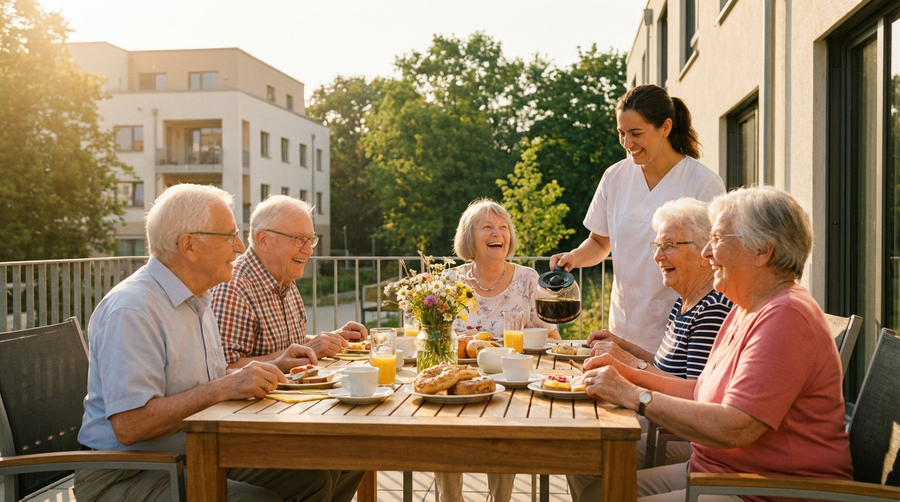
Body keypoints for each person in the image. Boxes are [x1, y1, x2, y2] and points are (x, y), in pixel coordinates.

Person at [581, 186, 852, 501]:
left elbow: (736, 428)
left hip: (768, 490)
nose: (707, 252)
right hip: (717, 472)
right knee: (596, 494)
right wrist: (623, 373)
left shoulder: (786, 316)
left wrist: (632, 394)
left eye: (719, 239)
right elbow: (699, 391)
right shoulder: (745, 308)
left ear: (762, 251)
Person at [75, 184, 329, 501]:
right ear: (189, 246)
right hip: (127, 473)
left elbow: (205, 383)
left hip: (195, 453)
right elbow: (131, 425)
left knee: (314, 474)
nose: (239, 248)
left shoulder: (197, 299)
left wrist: (270, 367)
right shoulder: (134, 310)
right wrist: (222, 388)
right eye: (229, 237)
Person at [567, 197, 733, 501]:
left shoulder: (711, 309)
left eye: (669, 246)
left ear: (703, 251)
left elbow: (694, 392)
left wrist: (629, 364)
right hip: (666, 424)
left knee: (583, 453)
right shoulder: (685, 302)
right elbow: (666, 367)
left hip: (677, 435)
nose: (658, 256)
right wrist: (624, 347)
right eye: (656, 246)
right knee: (579, 456)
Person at [550, 84, 725, 355]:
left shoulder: (702, 182)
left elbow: (715, 258)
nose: (627, 143)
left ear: (665, 127)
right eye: (621, 133)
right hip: (624, 323)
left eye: (636, 133)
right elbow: (599, 242)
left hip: (681, 324)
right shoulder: (614, 177)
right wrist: (574, 257)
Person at [433, 198, 558, 502]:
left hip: (512, 382)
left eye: (503, 227)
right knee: (442, 432)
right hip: (458, 382)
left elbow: (553, 337)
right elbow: (434, 338)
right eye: (486, 227)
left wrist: (535, 335)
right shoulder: (450, 281)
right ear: (468, 238)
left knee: (505, 432)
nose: (497, 233)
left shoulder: (528, 279)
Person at [212, 195, 367, 372]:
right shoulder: (233, 287)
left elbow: (288, 347)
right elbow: (223, 369)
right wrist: (311, 349)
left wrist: (332, 339)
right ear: (263, 240)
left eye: (311, 240)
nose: (308, 250)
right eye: (299, 239)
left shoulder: (284, 277)